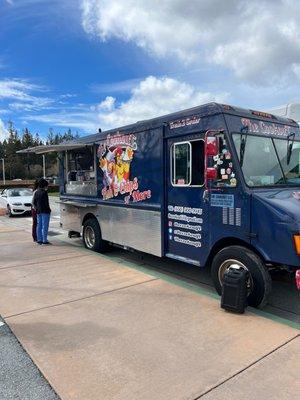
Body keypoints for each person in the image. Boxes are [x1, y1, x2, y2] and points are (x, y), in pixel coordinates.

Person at [33, 178, 51, 245]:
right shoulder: (44, 192)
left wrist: (36, 209)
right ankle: (44, 240)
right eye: (46, 185)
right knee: (45, 226)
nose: (47, 186)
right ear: (44, 185)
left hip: (38, 211)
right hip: (45, 211)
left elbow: (34, 202)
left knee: (39, 225)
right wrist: (49, 210)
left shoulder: (36, 192)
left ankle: (39, 240)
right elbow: (46, 203)